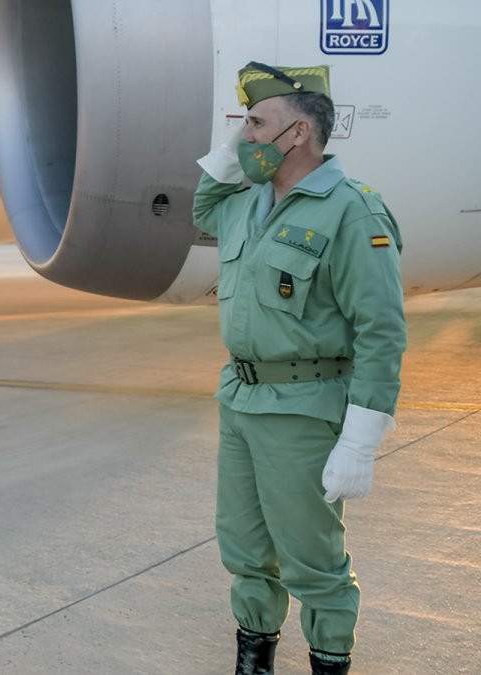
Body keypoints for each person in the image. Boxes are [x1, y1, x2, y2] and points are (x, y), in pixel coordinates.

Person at [193, 63, 405, 675]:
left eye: (258, 122)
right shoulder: (246, 205)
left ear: (301, 134)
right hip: (241, 399)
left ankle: (330, 661)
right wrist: (239, 144)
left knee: (313, 560)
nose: (246, 134)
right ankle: (253, 662)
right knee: (245, 548)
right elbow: (203, 206)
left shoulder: (351, 211)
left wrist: (362, 438)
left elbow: (381, 330)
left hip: (304, 406)